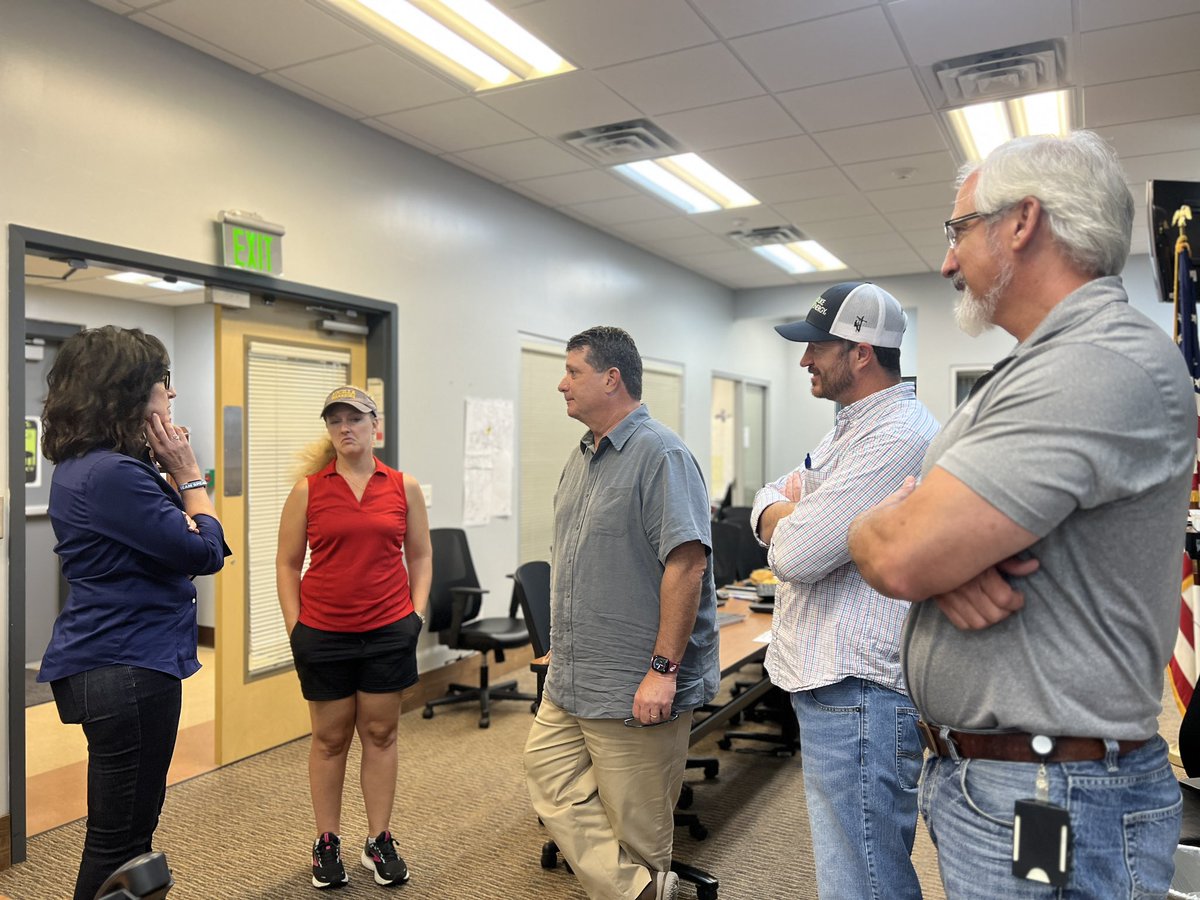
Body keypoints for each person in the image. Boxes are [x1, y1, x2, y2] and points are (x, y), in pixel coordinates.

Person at [848, 131, 1194, 898]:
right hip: (1016, 783)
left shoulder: (1096, 363)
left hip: (1050, 793)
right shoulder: (1038, 368)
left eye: (959, 229)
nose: (947, 261)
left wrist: (897, 543)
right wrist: (929, 558)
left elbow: (900, 554)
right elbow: (914, 547)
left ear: (1023, 222)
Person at [751, 281, 938, 899]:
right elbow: (767, 497)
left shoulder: (897, 436)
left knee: (863, 882)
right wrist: (785, 514)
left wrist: (790, 519)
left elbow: (798, 556)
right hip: (835, 686)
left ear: (860, 353)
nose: (805, 359)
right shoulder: (848, 430)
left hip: (860, 692)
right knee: (853, 872)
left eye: (817, 347)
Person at [523, 326, 720, 900]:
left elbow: (687, 567)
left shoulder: (662, 455)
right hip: (572, 675)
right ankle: (643, 893)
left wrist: (662, 670)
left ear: (612, 379)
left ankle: (640, 884)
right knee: (549, 777)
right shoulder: (582, 457)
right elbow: (581, 560)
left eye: (573, 372)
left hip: (635, 682)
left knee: (637, 829)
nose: (562, 384)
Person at [37, 325, 230, 900]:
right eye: (162, 382)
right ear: (127, 391)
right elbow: (204, 550)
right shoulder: (113, 474)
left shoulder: (91, 465)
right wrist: (190, 476)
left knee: (122, 838)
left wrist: (166, 475)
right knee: (120, 843)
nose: (172, 394)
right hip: (127, 667)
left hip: (113, 660)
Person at [277, 385, 432, 891]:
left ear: (374, 426)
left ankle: (378, 838)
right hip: (324, 634)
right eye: (336, 420)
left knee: (381, 734)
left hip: (388, 631)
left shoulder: (403, 486)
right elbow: (286, 563)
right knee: (329, 739)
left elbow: (421, 555)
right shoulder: (309, 490)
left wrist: (415, 615)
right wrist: (296, 627)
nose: (346, 428)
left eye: (356, 418)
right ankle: (327, 841)